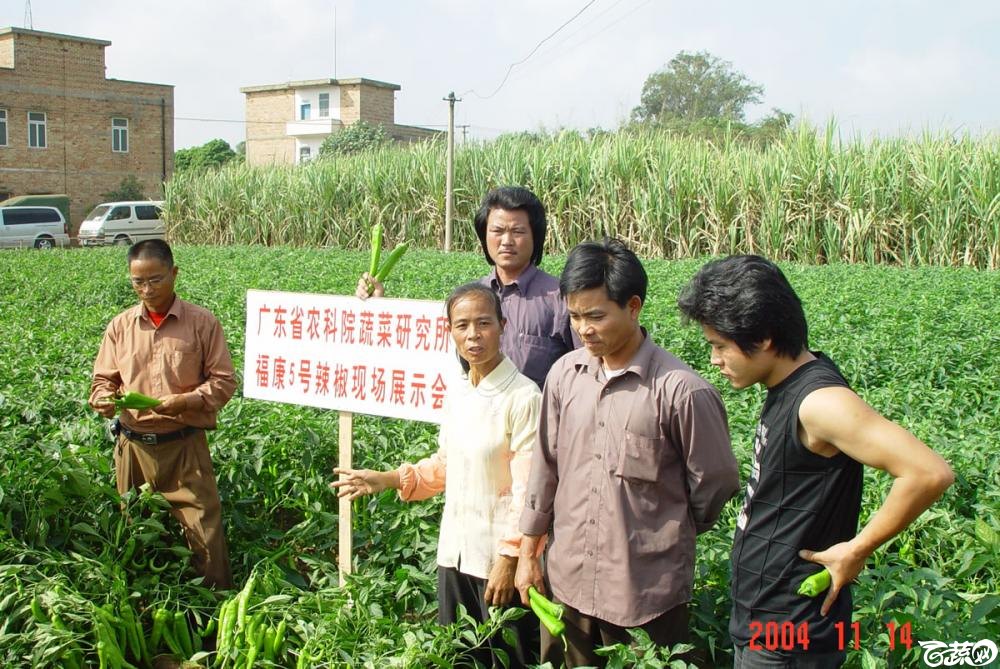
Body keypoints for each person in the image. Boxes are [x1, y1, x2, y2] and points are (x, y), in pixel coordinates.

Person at [676, 255, 954, 668]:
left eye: (720, 346)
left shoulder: (820, 403)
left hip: (789, 634)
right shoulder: (786, 384)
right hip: (766, 622)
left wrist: (857, 549)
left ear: (765, 337)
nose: (714, 360)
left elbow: (929, 472)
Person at [514, 238, 740, 668]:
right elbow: (545, 468)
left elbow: (716, 482)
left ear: (633, 306)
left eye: (596, 316)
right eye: (575, 315)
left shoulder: (681, 391)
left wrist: (663, 529)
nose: (583, 329)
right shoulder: (565, 374)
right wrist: (528, 554)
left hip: (644, 593)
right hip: (569, 582)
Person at [332, 282, 542, 667]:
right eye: (462, 325)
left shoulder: (523, 397)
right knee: (460, 655)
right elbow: (448, 464)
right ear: (450, 332)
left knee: (507, 659)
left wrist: (510, 558)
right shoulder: (461, 391)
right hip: (455, 554)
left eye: (484, 323)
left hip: (495, 560)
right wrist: (388, 478)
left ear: (503, 325)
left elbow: (530, 490)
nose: (473, 335)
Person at [89, 239, 236, 589]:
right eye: (138, 282)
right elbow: (102, 380)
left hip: (184, 447)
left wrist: (184, 402)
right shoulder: (120, 326)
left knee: (205, 538)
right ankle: (149, 606)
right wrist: (104, 398)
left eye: (155, 280)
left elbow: (225, 382)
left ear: (174, 273)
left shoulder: (201, 323)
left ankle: (213, 613)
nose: (146, 289)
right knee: (136, 533)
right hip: (133, 447)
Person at [357, 186, 576, 388]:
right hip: (477, 422)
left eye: (518, 232)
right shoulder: (468, 298)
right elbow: (422, 350)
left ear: (535, 236)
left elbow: (586, 369)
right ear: (484, 235)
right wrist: (378, 304)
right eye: (497, 231)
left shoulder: (560, 299)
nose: (506, 240)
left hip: (535, 426)